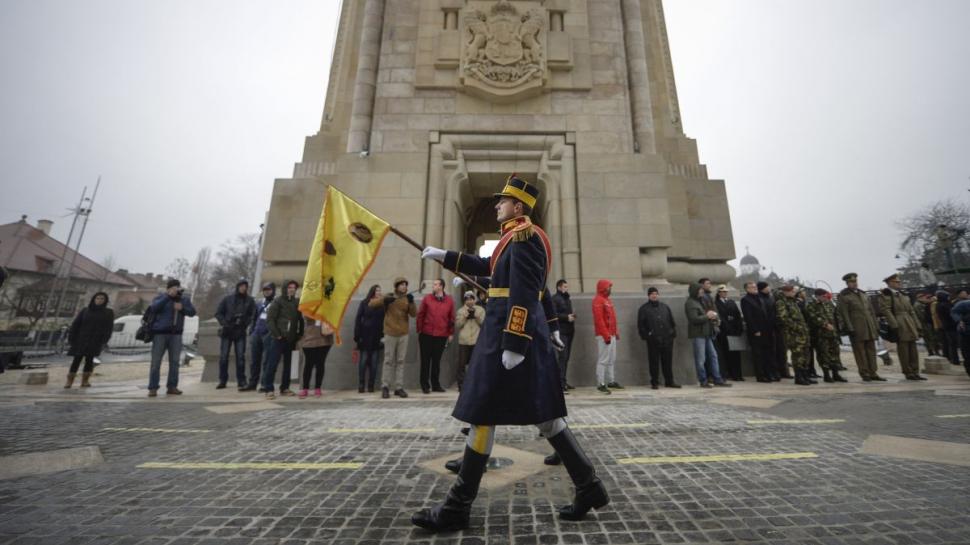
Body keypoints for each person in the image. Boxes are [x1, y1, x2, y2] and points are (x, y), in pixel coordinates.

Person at [414, 175, 607, 532]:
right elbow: (490, 269)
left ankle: (457, 508)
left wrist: (515, 343)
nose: (498, 205)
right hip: (504, 336)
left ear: (518, 206)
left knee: (485, 412)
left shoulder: (526, 237)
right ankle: (590, 486)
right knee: (539, 416)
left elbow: (523, 291)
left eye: (503, 201)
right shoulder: (511, 239)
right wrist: (446, 257)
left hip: (509, 336)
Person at [147, 279, 197, 397]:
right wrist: (167, 297)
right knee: (156, 362)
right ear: (168, 289)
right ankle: (153, 388)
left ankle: (172, 386)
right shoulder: (161, 297)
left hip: (176, 334)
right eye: (173, 288)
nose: (176, 290)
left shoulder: (184, 299)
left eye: (177, 288)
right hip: (160, 333)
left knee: (175, 362)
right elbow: (154, 308)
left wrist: (182, 309)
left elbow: (192, 312)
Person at [371, 277, 417, 398]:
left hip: (403, 333)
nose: (404, 287)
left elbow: (413, 314)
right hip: (390, 332)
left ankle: (399, 387)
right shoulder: (389, 296)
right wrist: (385, 300)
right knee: (388, 361)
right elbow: (372, 304)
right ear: (396, 286)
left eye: (405, 285)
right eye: (401, 285)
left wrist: (412, 302)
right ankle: (385, 386)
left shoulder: (407, 298)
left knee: (401, 361)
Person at [837, 273, 885, 382]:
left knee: (871, 351)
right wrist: (850, 328)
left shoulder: (863, 295)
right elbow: (844, 314)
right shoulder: (844, 296)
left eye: (855, 281)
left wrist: (876, 325)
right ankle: (865, 373)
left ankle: (873, 372)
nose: (854, 284)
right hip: (856, 328)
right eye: (852, 282)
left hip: (869, 327)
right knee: (860, 352)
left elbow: (871, 311)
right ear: (847, 283)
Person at [261, 280, 304, 399]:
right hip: (277, 339)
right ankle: (268, 389)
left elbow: (300, 320)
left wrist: (299, 334)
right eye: (290, 287)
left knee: (288, 365)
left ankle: (285, 388)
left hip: (291, 339)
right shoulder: (277, 301)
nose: (292, 289)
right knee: (272, 364)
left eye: (294, 287)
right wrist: (277, 334)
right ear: (285, 288)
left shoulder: (296, 302)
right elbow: (270, 320)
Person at [879, 274, 925, 381]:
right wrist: (894, 324)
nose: (899, 283)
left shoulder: (903, 294)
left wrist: (917, 324)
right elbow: (886, 310)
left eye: (899, 282)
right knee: (903, 349)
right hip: (899, 322)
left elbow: (911, 311)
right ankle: (908, 372)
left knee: (913, 348)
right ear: (890, 283)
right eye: (896, 282)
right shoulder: (886, 295)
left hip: (909, 321)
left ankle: (915, 371)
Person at [685, 282, 730, 388]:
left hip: (707, 333)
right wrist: (707, 316)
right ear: (695, 291)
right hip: (698, 334)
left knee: (713, 356)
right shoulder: (690, 303)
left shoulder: (701, 301)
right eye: (700, 290)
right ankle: (703, 380)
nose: (702, 291)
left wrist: (713, 317)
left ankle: (717, 379)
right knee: (701, 359)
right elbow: (693, 319)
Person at [65, 292, 114, 388]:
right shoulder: (85, 310)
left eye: (102, 299)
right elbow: (76, 324)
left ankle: (85, 381)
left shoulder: (108, 312)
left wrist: (104, 340)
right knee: (76, 359)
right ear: (94, 299)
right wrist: (71, 337)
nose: (99, 300)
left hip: (95, 340)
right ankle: (69, 381)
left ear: (105, 301)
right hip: (81, 338)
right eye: (97, 298)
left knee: (89, 360)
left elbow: (108, 328)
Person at [214, 278, 256, 390]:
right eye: (241, 286)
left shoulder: (250, 300)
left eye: (245, 286)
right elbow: (218, 313)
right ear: (238, 287)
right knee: (223, 357)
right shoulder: (227, 299)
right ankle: (222, 380)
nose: (243, 288)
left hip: (240, 331)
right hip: (227, 331)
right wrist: (224, 323)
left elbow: (253, 315)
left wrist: (245, 323)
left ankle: (241, 381)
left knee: (240, 358)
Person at [416, 278, 455, 394]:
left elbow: (451, 318)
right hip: (426, 334)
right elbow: (420, 314)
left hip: (441, 335)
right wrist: (419, 329)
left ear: (441, 286)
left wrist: (451, 333)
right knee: (425, 361)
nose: (433, 286)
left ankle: (436, 384)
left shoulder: (449, 301)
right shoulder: (427, 298)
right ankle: (424, 385)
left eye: (436, 284)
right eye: (433, 284)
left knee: (436, 361)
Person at [637, 287, 679, 389]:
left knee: (667, 361)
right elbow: (641, 325)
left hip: (667, 339)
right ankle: (654, 382)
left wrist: (672, 333)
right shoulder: (644, 309)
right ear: (648, 295)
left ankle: (669, 381)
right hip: (653, 340)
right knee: (654, 362)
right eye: (652, 294)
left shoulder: (665, 307)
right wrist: (648, 336)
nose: (654, 295)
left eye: (656, 293)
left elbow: (671, 321)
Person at [805, 289, 847, 383]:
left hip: (833, 333)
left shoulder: (828, 304)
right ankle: (826, 375)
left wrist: (839, 326)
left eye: (826, 296)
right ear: (818, 296)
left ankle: (836, 374)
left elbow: (835, 316)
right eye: (824, 296)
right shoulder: (812, 305)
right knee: (824, 354)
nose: (825, 298)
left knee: (835, 353)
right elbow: (813, 317)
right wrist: (824, 324)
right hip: (821, 335)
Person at [776, 285, 814, 385]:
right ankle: (799, 377)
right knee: (798, 355)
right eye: (791, 291)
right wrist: (797, 327)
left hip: (802, 333)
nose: (794, 292)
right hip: (793, 334)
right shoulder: (781, 302)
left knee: (806, 354)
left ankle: (805, 375)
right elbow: (784, 318)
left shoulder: (793, 301)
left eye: (794, 291)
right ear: (786, 292)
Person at [242, 283, 275, 392]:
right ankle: (252, 383)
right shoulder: (259, 303)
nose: (266, 291)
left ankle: (264, 384)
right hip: (257, 333)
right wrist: (252, 331)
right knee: (254, 360)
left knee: (267, 360)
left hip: (268, 334)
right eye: (265, 289)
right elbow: (254, 318)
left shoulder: (275, 303)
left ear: (273, 290)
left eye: (269, 289)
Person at [353, 284, 385, 393]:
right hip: (365, 335)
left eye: (380, 291)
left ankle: (371, 385)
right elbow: (358, 319)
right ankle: (361, 384)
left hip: (377, 336)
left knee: (374, 362)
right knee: (363, 361)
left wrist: (384, 336)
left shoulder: (382, 304)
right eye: (377, 291)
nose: (379, 293)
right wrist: (357, 336)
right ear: (372, 292)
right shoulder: (364, 302)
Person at [592, 279, 622, 393]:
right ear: (603, 288)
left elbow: (612, 318)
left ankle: (611, 381)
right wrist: (606, 335)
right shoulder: (598, 301)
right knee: (603, 360)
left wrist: (616, 332)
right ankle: (601, 383)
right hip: (604, 335)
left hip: (611, 334)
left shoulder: (607, 300)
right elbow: (599, 320)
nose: (610, 289)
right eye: (608, 287)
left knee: (611, 359)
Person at [741, 282, 773, 382]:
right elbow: (748, 317)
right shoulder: (745, 300)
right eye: (752, 287)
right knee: (758, 355)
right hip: (756, 331)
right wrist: (755, 330)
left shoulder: (759, 298)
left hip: (765, 330)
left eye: (755, 287)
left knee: (766, 353)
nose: (755, 288)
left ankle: (768, 373)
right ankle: (760, 375)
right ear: (747, 289)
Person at [454, 290, 485, 391]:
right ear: (465, 301)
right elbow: (458, 325)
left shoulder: (480, 310)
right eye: (467, 299)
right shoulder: (460, 311)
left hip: (476, 341)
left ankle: (475, 384)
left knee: (475, 364)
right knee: (461, 364)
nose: (469, 301)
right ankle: (461, 385)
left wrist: (476, 316)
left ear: (474, 299)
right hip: (464, 341)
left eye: (471, 299)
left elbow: (484, 325)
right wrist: (465, 316)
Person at [298, 315, 334, 398]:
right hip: (309, 339)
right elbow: (306, 317)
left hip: (325, 339)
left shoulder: (328, 307)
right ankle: (305, 388)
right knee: (308, 364)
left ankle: (318, 388)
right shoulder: (310, 306)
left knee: (320, 364)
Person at [714, 285, 744, 381]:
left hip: (734, 331)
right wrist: (727, 327)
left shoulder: (731, 302)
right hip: (724, 332)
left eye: (726, 292)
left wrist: (738, 328)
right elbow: (720, 317)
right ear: (719, 293)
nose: (724, 293)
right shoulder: (716, 303)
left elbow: (737, 315)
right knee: (726, 354)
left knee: (736, 354)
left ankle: (738, 374)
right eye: (722, 292)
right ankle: (729, 373)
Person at [551, 279, 576, 391]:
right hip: (561, 332)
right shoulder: (555, 299)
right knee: (563, 357)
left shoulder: (567, 299)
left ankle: (564, 381)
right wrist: (566, 317)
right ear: (559, 287)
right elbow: (553, 314)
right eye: (565, 286)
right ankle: (560, 383)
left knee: (566, 358)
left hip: (569, 330)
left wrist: (572, 316)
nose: (566, 288)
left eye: (567, 286)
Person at [937, 290, 961, 365]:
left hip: (947, 326)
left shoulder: (939, 304)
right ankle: (955, 359)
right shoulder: (945, 305)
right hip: (951, 326)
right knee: (953, 343)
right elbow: (951, 314)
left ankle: (953, 359)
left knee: (950, 343)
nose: (949, 297)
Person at [914, 292, 939, 357]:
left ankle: (933, 351)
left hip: (926, 324)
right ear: (919, 298)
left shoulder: (922, 304)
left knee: (931, 338)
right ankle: (931, 352)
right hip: (924, 325)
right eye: (923, 297)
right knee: (929, 338)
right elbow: (922, 316)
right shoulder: (918, 305)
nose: (924, 298)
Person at [950, 296, 970, 377]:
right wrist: (959, 320)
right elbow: (954, 312)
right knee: (967, 354)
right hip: (966, 333)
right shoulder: (964, 304)